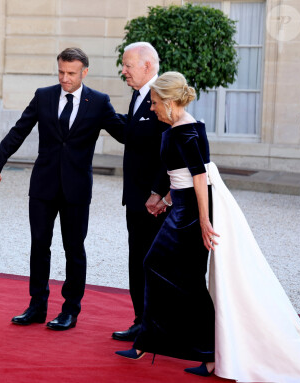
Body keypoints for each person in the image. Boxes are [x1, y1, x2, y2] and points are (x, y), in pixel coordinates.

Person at [115, 72, 300, 382]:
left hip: (191, 214)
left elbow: (200, 178)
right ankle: (174, 347)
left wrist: (203, 220)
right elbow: (178, 175)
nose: (151, 109)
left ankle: (193, 349)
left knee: (172, 273)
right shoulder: (175, 128)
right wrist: (164, 199)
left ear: (168, 101)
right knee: (173, 274)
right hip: (181, 208)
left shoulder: (187, 131)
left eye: (153, 103)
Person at [0, 47, 124, 331]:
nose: (64, 78)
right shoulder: (44, 95)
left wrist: (160, 120)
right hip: (44, 185)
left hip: (77, 188)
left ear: (84, 72)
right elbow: (18, 130)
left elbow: (125, 133)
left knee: (74, 249)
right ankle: (37, 306)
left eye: (71, 73)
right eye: (61, 71)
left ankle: (70, 310)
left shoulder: (98, 102)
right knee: (39, 246)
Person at [111, 42, 170, 342]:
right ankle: (142, 321)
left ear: (147, 66)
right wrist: (104, 115)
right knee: (138, 259)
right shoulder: (137, 95)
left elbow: (171, 149)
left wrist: (158, 192)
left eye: (128, 65)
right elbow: (133, 136)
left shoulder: (164, 96)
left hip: (155, 203)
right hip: (135, 198)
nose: (124, 70)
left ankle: (159, 325)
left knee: (156, 262)